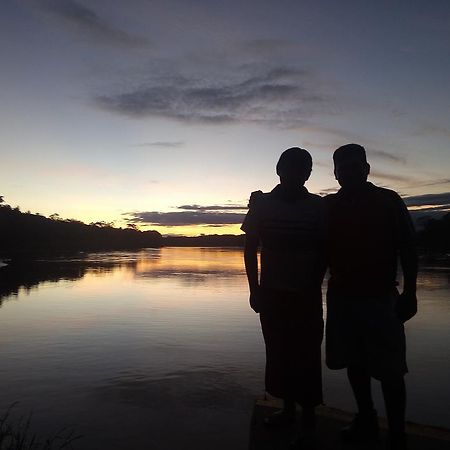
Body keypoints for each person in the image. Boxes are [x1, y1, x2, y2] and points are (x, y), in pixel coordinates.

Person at [325, 144, 418, 450]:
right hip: (341, 298)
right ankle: (366, 419)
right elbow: (317, 250)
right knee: (355, 363)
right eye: (343, 168)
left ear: (366, 169)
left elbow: (408, 247)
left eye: (356, 167)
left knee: (391, 371)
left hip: (381, 298)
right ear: (335, 173)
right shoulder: (330, 206)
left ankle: (397, 435)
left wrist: (411, 292)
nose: (349, 173)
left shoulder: (388, 201)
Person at [242, 147, 326, 447]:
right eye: (291, 168)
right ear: (279, 170)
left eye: (303, 168)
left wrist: (313, 284)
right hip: (272, 294)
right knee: (278, 353)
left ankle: (308, 419)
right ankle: (287, 410)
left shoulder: (318, 207)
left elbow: (324, 252)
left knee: (307, 355)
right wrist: (254, 290)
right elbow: (250, 249)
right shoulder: (263, 206)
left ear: (309, 173)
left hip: (306, 296)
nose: (296, 173)